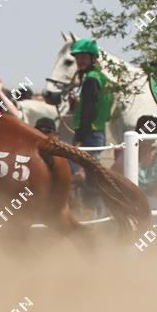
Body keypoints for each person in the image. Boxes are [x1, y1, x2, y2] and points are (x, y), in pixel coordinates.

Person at [67, 39, 113, 214]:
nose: (80, 61)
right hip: (98, 132)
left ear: (93, 58)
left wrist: (79, 137)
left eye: (84, 57)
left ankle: (92, 214)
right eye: (78, 58)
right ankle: (97, 214)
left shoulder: (91, 80)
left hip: (89, 134)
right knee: (92, 176)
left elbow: (89, 111)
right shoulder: (102, 78)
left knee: (79, 175)